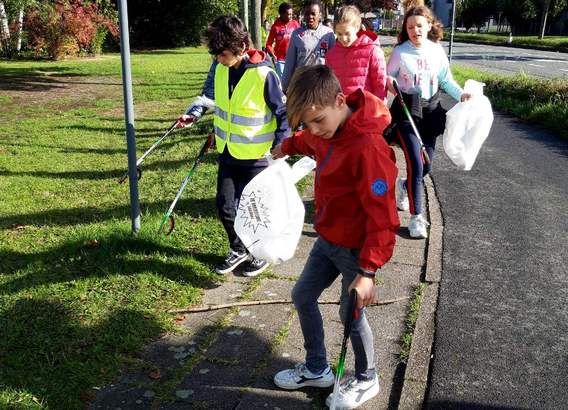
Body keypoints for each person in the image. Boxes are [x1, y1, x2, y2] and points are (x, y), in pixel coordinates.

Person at [271, 65, 399, 409]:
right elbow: (309, 141)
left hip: (357, 250)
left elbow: (384, 217)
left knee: (351, 313)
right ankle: (317, 368)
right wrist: (287, 145)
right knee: (302, 295)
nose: (314, 130)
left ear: (340, 101)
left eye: (318, 121)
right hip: (327, 240)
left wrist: (368, 271)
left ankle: (366, 376)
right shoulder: (322, 130)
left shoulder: (368, 148)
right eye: (307, 124)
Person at [177, 15, 290, 277]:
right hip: (228, 151)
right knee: (225, 205)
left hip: (257, 158)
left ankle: (259, 254)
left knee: (253, 212)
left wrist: (280, 146)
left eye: (223, 53)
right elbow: (208, 97)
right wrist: (192, 114)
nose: (218, 59)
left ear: (240, 46)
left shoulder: (264, 75)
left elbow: (284, 113)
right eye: (215, 54)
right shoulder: (219, 68)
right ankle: (239, 248)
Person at [386, 5, 470, 239]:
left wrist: (461, 94)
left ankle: (404, 186)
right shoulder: (400, 52)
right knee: (415, 162)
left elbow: (446, 81)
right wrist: (390, 84)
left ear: (429, 25)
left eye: (419, 26)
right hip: (406, 113)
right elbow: (387, 75)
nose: (415, 31)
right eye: (410, 27)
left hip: (431, 113)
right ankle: (416, 218)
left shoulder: (437, 52)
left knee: (427, 165)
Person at [325, 5, 387, 103]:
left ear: (357, 27)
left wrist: (377, 112)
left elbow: (380, 85)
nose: (343, 38)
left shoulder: (372, 51)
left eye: (347, 33)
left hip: (365, 111)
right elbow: (328, 86)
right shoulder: (331, 55)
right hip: (339, 112)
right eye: (339, 34)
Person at [281, 0, 335, 92]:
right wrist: (284, 87)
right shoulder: (296, 34)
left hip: (322, 84)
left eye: (313, 14)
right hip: (303, 84)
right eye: (307, 14)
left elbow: (334, 61)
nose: (310, 17)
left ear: (320, 15)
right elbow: (289, 63)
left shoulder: (328, 33)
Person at [265, 3, 300, 78]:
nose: (290, 16)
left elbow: (302, 39)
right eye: (288, 14)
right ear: (281, 14)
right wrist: (273, 55)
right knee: (283, 85)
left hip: (294, 59)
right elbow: (268, 44)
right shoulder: (275, 27)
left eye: (291, 14)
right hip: (280, 60)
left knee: (293, 82)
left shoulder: (295, 24)